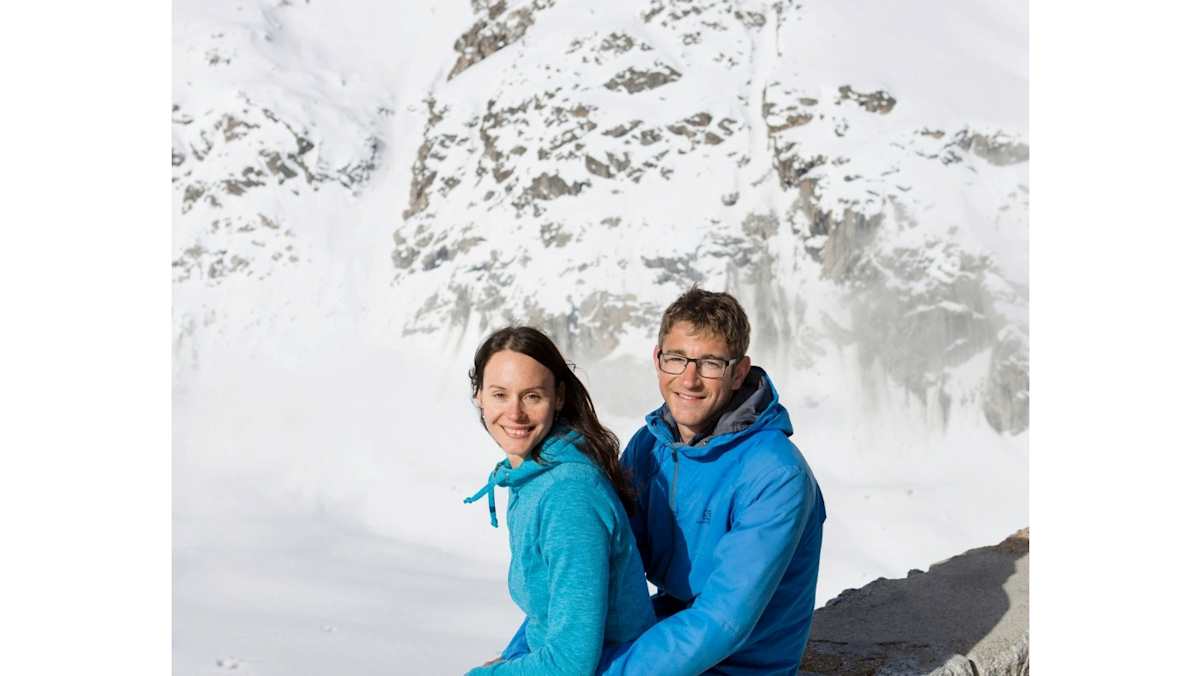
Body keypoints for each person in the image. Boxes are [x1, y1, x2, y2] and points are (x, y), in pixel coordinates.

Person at [602, 287, 827, 675]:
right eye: (677, 359)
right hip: (666, 639)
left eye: (710, 364)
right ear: (658, 360)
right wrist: (533, 654)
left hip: (742, 666)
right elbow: (600, 563)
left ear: (739, 372)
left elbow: (723, 622)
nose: (689, 380)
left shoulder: (775, 474)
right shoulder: (650, 446)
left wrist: (607, 671)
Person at [463, 326, 656, 675]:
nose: (515, 413)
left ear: (559, 397)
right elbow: (549, 617)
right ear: (479, 396)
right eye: (500, 394)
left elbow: (571, 662)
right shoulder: (531, 474)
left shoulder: (569, 495)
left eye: (532, 396)